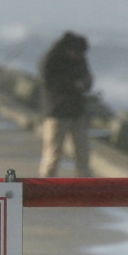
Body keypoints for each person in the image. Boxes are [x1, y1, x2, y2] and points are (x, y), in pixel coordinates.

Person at [38, 31, 94, 177]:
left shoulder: (80, 58)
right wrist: (73, 85)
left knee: (83, 152)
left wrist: (85, 84)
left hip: (77, 111)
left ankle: (85, 186)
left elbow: (88, 78)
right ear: (69, 49)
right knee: (53, 153)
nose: (78, 57)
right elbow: (48, 82)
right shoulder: (51, 59)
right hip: (56, 112)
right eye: (76, 53)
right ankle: (45, 186)